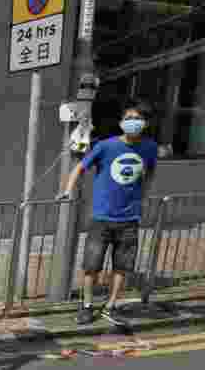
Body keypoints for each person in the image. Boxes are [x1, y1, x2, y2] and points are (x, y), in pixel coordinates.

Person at [60, 99, 157, 329]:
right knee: (91, 266)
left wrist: (144, 196)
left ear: (145, 123)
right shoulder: (106, 146)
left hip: (130, 219)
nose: (133, 122)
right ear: (121, 122)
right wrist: (67, 190)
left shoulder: (149, 147)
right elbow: (80, 167)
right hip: (102, 218)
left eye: (137, 119)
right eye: (129, 118)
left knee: (122, 267)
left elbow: (150, 172)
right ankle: (86, 306)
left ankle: (111, 306)